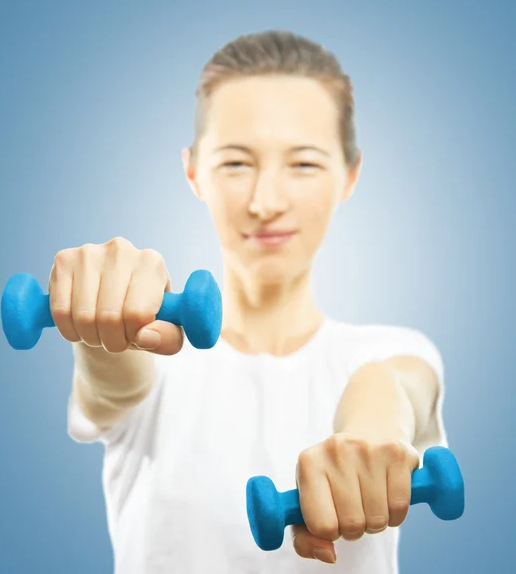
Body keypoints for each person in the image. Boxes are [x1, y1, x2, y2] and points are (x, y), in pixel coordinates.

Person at [59, 30, 447, 573]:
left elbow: (395, 385)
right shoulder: (159, 364)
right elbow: (113, 378)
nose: (266, 202)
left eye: (305, 164)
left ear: (350, 175)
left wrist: (368, 434)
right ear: (194, 171)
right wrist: (103, 326)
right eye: (236, 164)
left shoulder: (391, 349)